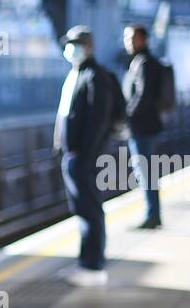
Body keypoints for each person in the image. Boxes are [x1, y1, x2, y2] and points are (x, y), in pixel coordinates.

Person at [55, 25, 120, 287]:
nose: (71, 48)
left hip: (85, 157)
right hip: (74, 155)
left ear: (89, 46)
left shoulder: (95, 76)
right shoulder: (77, 73)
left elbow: (98, 120)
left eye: (76, 43)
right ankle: (86, 262)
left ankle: (93, 266)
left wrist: (86, 155)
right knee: (83, 209)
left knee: (90, 209)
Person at [122, 23, 163, 229]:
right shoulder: (142, 61)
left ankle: (152, 215)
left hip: (142, 126)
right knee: (146, 170)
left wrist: (126, 115)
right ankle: (152, 213)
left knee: (145, 171)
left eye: (131, 38)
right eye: (126, 38)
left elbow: (143, 95)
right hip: (144, 125)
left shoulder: (144, 63)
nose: (128, 42)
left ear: (143, 39)